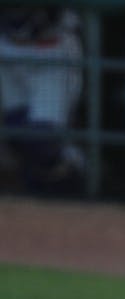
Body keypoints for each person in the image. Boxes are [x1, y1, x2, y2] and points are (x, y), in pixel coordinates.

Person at [0, 8, 83, 194]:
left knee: (42, 141)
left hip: (50, 47)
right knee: (16, 131)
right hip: (7, 47)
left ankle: (77, 177)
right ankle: (37, 203)